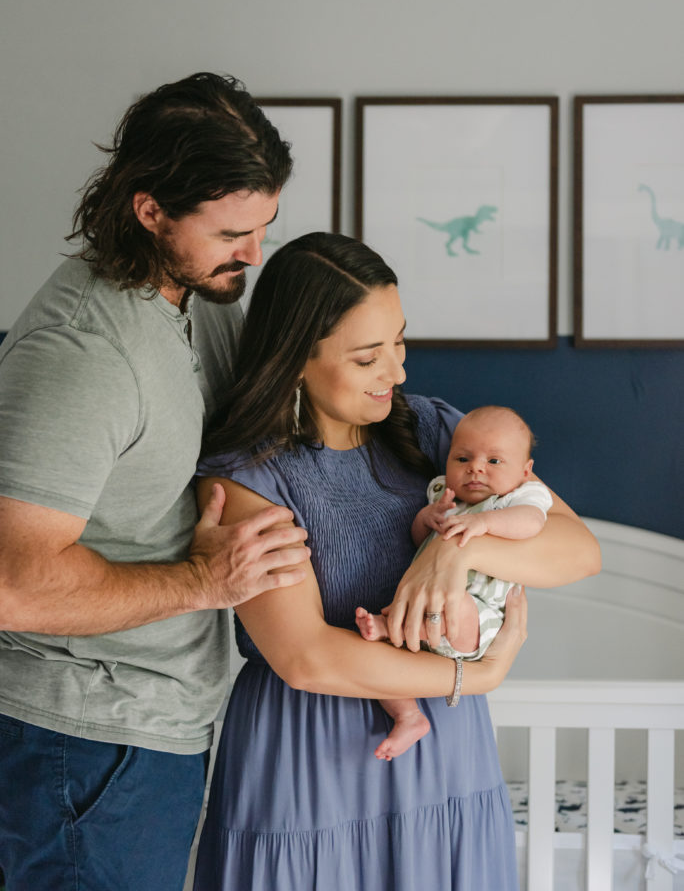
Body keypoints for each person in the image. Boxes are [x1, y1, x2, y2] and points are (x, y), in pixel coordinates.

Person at [192, 231, 600, 891]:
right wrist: (477, 679)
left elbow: (578, 551)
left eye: (399, 343)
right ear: (296, 358)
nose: (398, 372)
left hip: (444, 764)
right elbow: (305, 657)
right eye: (367, 358)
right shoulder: (249, 477)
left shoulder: (438, 434)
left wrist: (451, 550)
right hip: (312, 762)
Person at [0, 73, 312, 891]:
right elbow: (16, 584)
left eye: (263, 226)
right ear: (149, 211)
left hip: (156, 729)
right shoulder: (81, 356)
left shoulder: (200, 296)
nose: (253, 252)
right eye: (232, 231)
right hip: (80, 739)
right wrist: (204, 580)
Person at [355, 404, 554, 760]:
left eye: (494, 461)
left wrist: (485, 525)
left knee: (453, 602)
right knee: (374, 658)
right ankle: (408, 715)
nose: (475, 467)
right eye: (462, 458)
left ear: (525, 471)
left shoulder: (518, 498)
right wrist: (426, 518)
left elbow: (532, 523)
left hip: (480, 615)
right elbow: (420, 540)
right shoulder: (442, 495)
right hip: (426, 607)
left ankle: (394, 625)